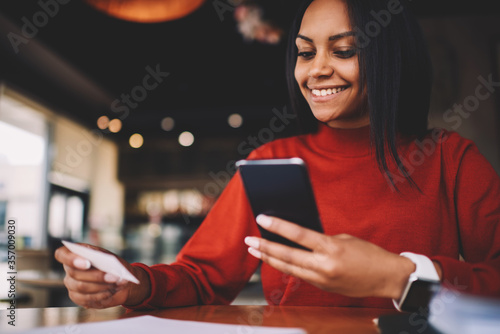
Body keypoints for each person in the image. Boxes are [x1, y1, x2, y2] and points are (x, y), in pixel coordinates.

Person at [55, 0, 500, 310]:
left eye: (343, 50)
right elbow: (202, 278)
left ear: (392, 56)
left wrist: (399, 276)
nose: (317, 69)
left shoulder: (449, 159)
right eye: (305, 53)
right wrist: (132, 285)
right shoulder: (273, 162)